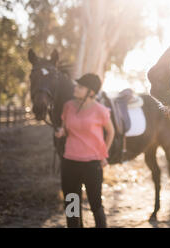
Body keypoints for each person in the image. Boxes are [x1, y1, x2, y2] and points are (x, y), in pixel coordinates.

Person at [54, 73, 114, 228]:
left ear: (91, 92)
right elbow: (66, 129)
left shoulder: (100, 110)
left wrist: (103, 154)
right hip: (69, 162)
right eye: (77, 85)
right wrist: (61, 132)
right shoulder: (68, 106)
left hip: (92, 164)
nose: (76, 88)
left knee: (95, 204)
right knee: (71, 203)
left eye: (80, 87)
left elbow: (111, 132)